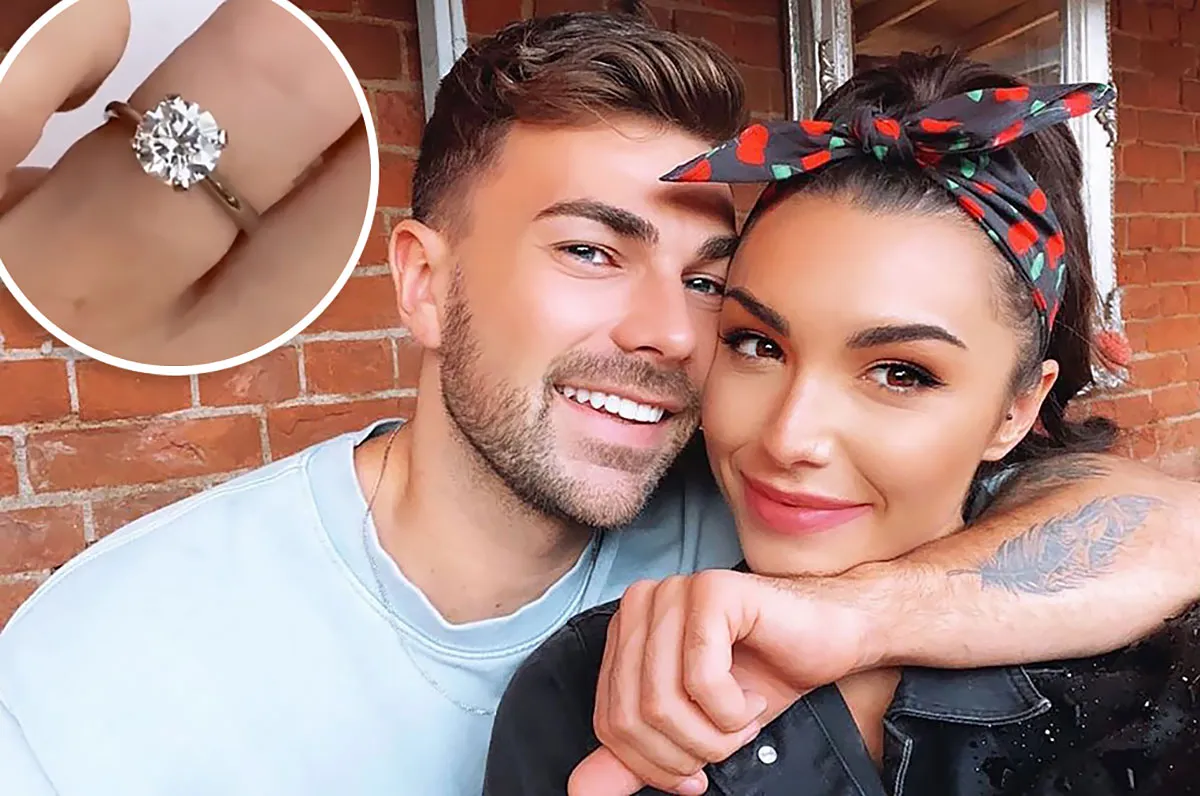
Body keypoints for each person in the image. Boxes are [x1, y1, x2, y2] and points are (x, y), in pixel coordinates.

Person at [1, 11, 1199, 796]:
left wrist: (857, 616)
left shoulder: (774, 514)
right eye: (589, 250)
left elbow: (1162, 519)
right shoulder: (106, 659)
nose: (671, 335)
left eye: (710, 284)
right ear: (423, 282)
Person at [482, 53, 1200, 796]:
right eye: (757, 345)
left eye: (900, 374)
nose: (788, 439)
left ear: (1016, 410)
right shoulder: (588, 688)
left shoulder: (1157, 690)